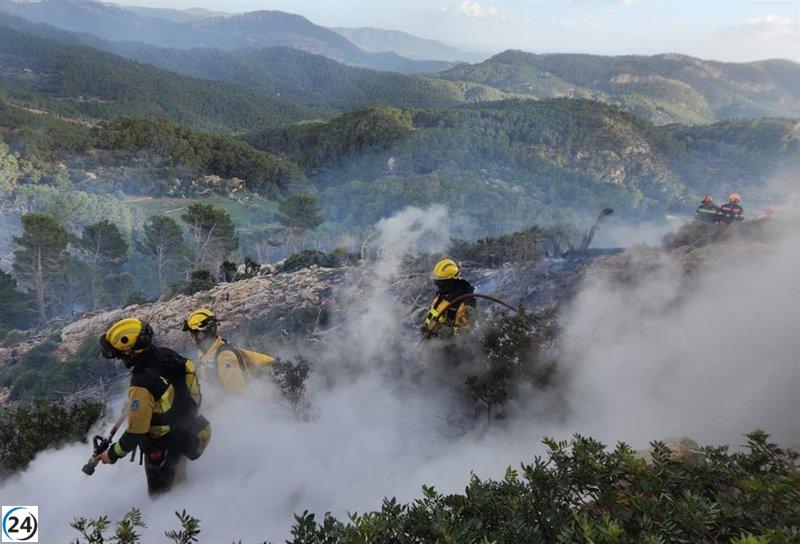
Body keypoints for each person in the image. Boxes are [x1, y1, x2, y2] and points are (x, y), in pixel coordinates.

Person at [98, 317, 210, 496]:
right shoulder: (167, 354)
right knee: (181, 487)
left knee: (163, 500)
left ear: (129, 352)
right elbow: (177, 391)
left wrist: (112, 454)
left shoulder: (141, 383)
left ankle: (174, 523)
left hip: (162, 447)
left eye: (120, 354)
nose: (120, 359)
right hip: (185, 432)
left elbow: (136, 432)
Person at [183, 308, 276, 394]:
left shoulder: (224, 356)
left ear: (202, 334)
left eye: (193, 334)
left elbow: (237, 393)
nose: (193, 338)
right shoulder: (204, 352)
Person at [421, 258, 476, 339]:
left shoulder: (464, 304)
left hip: (443, 347)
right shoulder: (445, 292)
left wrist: (440, 333)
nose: (436, 284)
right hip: (429, 340)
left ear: (450, 282)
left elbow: (463, 337)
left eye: (440, 282)